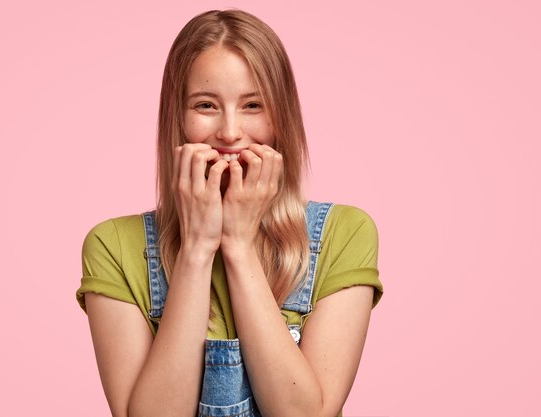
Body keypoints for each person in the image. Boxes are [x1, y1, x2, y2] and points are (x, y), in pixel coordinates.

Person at [76, 9, 383, 417]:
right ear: (177, 119)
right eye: (206, 105)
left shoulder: (344, 233)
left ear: (281, 118)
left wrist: (238, 244)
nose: (230, 132)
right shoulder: (113, 245)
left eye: (253, 105)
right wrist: (198, 249)